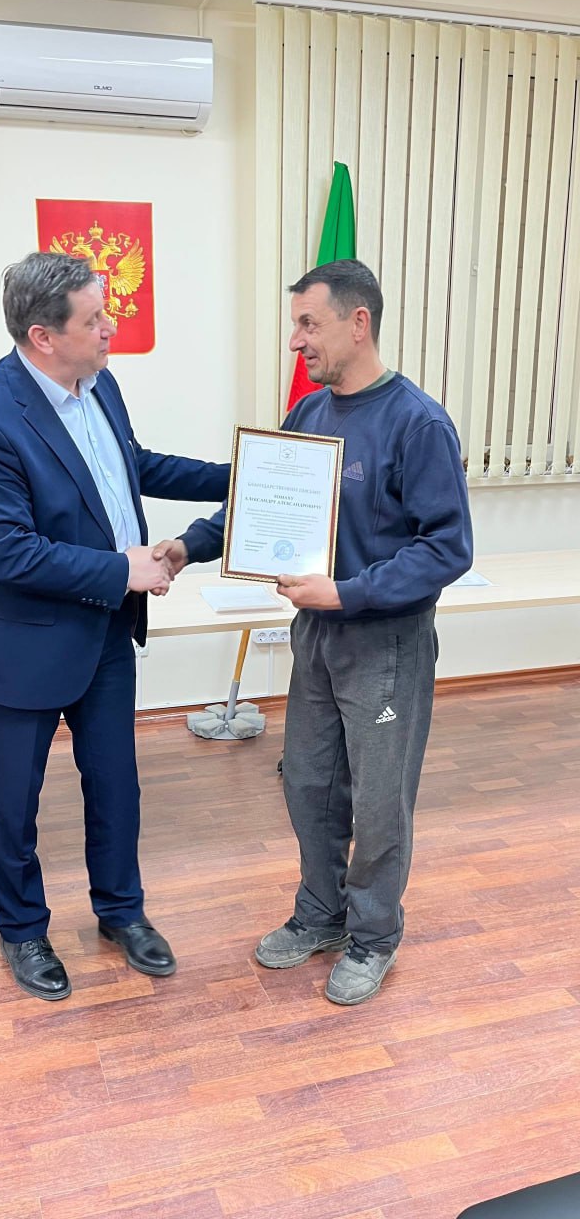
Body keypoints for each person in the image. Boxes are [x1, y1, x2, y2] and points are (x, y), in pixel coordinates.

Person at [154, 259, 473, 1006]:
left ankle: (373, 936)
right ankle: (321, 915)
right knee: (309, 783)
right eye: (295, 325)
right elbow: (259, 502)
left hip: (386, 643)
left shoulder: (418, 423)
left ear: (358, 323)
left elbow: (447, 547)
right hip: (318, 637)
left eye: (308, 323)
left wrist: (349, 591)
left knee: (379, 802)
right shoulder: (309, 414)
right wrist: (190, 545)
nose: (296, 341)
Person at [0, 251, 229, 1002]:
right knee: (13, 803)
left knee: (116, 784)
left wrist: (248, 474)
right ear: (43, 336)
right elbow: (8, 552)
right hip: (23, 641)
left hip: (103, 633)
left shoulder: (99, 383)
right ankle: (22, 930)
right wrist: (121, 569)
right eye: (95, 319)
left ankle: (122, 912)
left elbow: (134, 466)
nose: (111, 327)